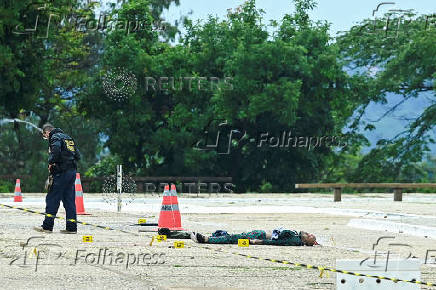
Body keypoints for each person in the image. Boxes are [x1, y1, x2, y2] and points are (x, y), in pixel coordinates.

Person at [34, 123, 81, 234]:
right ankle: (71, 228)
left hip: (61, 172)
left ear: (47, 132)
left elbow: (55, 151)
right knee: (69, 200)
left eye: (45, 136)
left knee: (52, 198)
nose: (46, 138)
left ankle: (47, 227)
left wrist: (51, 162)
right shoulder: (68, 138)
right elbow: (78, 155)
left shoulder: (54, 137)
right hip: (72, 172)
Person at [190, 228, 318, 246]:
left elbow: (276, 243)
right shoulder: (296, 236)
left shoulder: (295, 240)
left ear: (306, 241)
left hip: (259, 236)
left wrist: (258, 242)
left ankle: (205, 239)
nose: (309, 233)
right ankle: (210, 238)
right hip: (259, 233)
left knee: (233, 239)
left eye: (311, 236)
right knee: (234, 237)